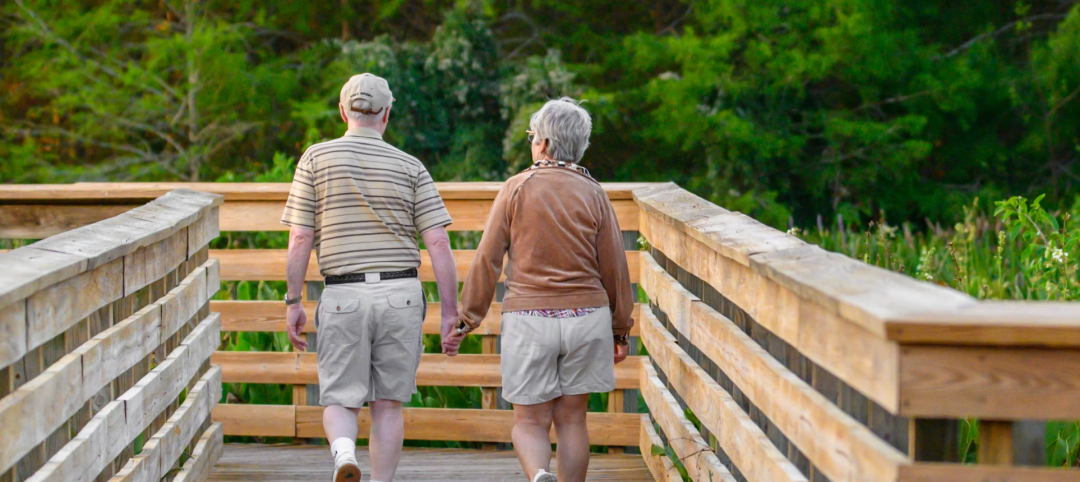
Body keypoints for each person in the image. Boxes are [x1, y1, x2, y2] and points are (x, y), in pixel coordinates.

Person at [282, 73, 462, 482]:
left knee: (341, 399)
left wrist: (294, 302)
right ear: (387, 114)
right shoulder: (411, 166)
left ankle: (344, 453)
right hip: (401, 293)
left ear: (343, 111)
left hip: (343, 293)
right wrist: (450, 313)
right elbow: (437, 242)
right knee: (387, 404)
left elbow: (300, 237)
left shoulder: (315, 158)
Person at [451, 97, 634, 482]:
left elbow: (488, 258)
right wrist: (619, 328)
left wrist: (467, 319)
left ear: (545, 143)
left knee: (529, 422)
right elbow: (614, 266)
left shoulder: (516, 188)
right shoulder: (595, 193)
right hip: (586, 318)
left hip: (529, 319)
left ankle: (538, 475)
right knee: (572, 420)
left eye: (533, 136)